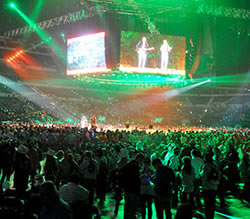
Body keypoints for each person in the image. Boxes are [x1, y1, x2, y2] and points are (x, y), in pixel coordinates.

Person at [201, 153, 219, 219]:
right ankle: (212, 216)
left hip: (207, 187)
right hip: (214, 187)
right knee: (212, 203)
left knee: (207, 204)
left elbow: (204, 177)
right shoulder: (214, 166)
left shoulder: (206, 166)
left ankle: (208, 216)